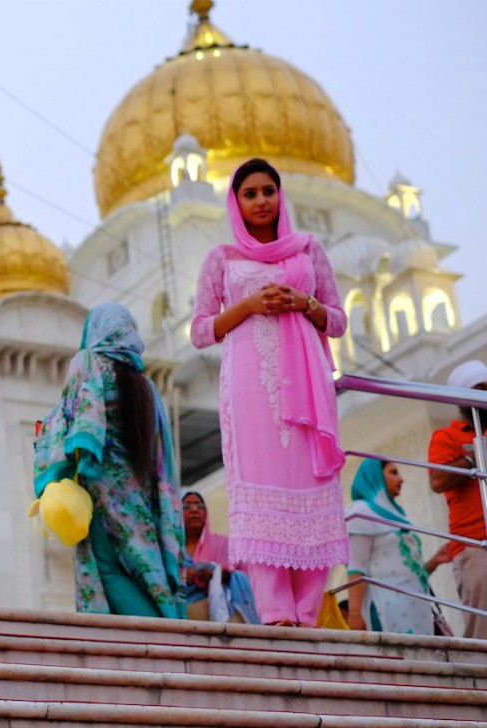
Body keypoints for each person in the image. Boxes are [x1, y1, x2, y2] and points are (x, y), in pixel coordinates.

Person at [191, 158, 348, 627]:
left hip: (308, 388)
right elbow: (201, 331)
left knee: (311, 485)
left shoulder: (307, 250)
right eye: (250, 194)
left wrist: (306, 304)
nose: (262, 201)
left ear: (281, 196)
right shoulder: (221, 258)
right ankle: (276, 613)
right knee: (262, 493)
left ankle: (307, 613)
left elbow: (337, 321)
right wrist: (248, 305)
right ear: (236, 203)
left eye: (269, 191)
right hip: (250, 391)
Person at [33, 303, 184, 619]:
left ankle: (160, 631)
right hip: (139, 488)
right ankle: (165, 621)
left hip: (100, 482)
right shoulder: (146, 385)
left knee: (107, 566)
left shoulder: (88, 362)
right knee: (143, 567)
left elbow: (78, 417)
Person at [346, 458, 452, 634]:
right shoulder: (361, 512)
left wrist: (434, 562)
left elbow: (408, 575)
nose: (401, 479)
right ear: (375, 477)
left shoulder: (398, 516)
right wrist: (355, 613)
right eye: (393, 472)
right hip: (386, 608)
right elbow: (356, 568)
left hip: (418, 609)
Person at [428, 359, 487, 639]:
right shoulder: (446, 436)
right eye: (478, 390)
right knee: (483, 629)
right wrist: (475, 455)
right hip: (475, 545)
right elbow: (438, 481)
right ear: (463, 398)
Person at [181, 491, 260, 624]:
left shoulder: (225, 544)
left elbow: (251, 575)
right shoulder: (171, 550)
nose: (194, 510)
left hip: (226, 612)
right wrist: (181, 577)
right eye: (186, 506)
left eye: (199, 506)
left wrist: (222, 574)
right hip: (182, 614)